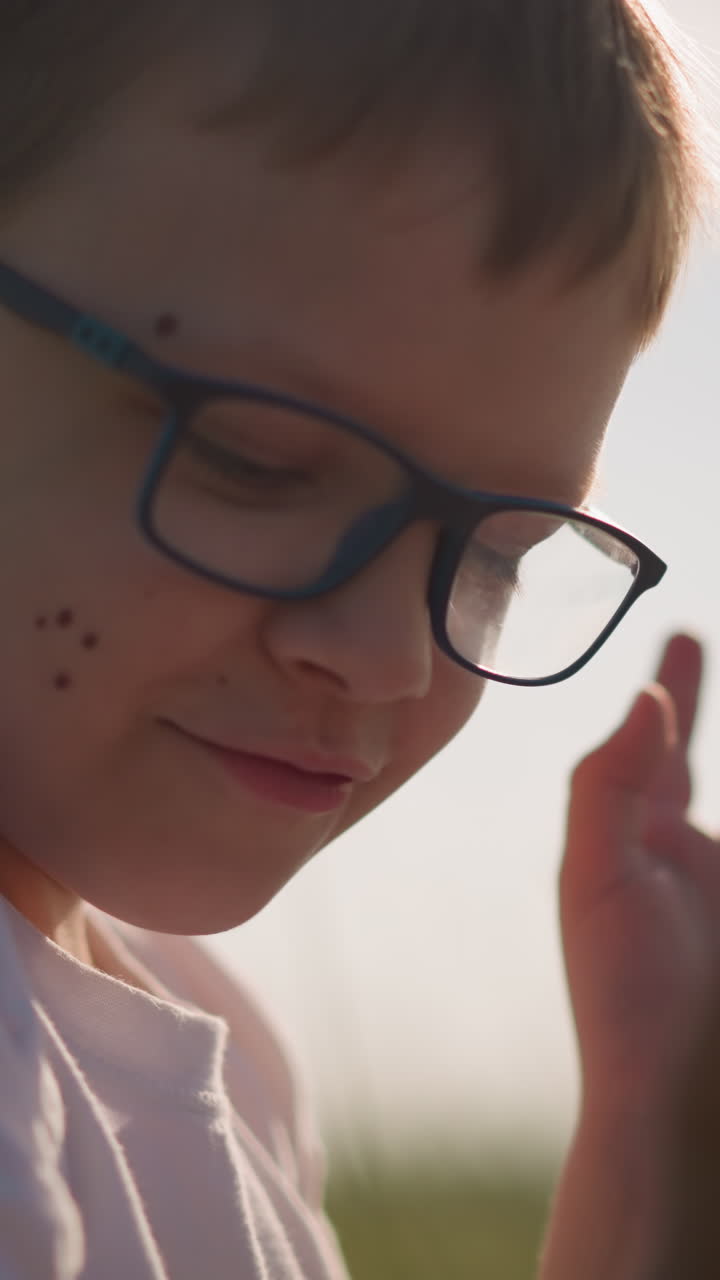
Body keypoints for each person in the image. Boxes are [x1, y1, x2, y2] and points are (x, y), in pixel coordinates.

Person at [0, 1, 711, 1276]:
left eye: (498, 552)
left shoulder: (221, 1053)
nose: (391, 657)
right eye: (255, 460)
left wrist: (649, 1165)